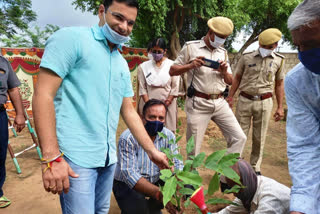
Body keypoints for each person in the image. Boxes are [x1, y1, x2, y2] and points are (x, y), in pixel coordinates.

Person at [32, 0, 168, 213]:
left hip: (107, 159)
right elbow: (43, 95)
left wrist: (152, 152)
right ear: (102, 11)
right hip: (75, 158)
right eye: (118, 17)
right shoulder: (71, 39)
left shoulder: (121, 63)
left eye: (130, 22)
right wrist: (51, 157)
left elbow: (129, 110)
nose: (124, 26)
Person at [170, 16, 246, 156]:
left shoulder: (222, 52)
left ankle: (226, 176)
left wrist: (224, 72)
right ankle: (191, 176)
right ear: (210, 32)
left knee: (239, 138)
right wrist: (191, 65)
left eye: (225, 38)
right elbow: (172, 70)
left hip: (219, 102)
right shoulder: (190, 47)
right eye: (220, 37)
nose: (222, 40)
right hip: (198, 104)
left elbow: (230, 81)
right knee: (194, 150)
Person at [226, 28, 285, 175]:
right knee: (238, 135)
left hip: (265, 102)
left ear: (275, 45)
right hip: (245, 100)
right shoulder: (247, 57)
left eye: (269, 47)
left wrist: (280, 107)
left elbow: (279, 84)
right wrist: (230, 97)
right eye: (263, 46)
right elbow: (237, 78)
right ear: (259, 43)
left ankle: (254, 169)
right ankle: (233, 168)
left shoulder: (279, 60)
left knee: (260, 138)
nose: (265, 49)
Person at [113, 99, 183, 214]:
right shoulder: (128, 138)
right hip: (127, 184)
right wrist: (159, 193)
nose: (157, 121)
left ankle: (152, 207)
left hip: (155, 180)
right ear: (142, 117)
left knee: (155, 205)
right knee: (138, 210)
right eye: (152, 117)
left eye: (161, 118)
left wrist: (178, 186)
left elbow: (177, 164)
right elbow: (130, 175)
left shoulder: (168, 136)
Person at [285, 0, 320, 213]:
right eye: (298, 46)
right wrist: (302, 206)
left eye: (311, 44)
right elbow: (306, 146)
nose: (303, 53)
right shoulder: (298, 81)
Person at [214, 159, 290, 213]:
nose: (234, 194)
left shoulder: (269, 200)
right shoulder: (249, 188)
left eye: (236, 189)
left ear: (245, 182)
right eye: (231, 188)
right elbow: (228, 211)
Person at [138, 38, 180, 133]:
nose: (156, 54)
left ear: (165, 51)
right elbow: (142, 88)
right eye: (154, 51)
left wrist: (167, 103)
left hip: (168, 103)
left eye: (159, 51)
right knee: (147, 130)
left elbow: (175, 87)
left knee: (168, 132)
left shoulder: (173, 65)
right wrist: (149, 105)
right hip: (148, 102)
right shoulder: (143, 67)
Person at [0, 55, 25, 208]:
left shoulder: (3, 62)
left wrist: (20, 114)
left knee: (0, 154)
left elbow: (13, 89)